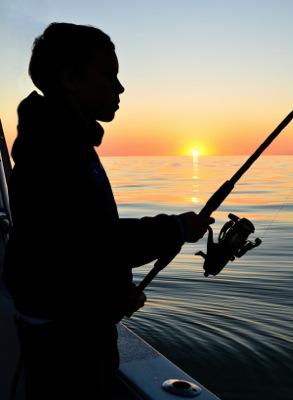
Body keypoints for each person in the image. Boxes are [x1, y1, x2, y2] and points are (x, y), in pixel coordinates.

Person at [3, 22, 213, 400]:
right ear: (71, 79)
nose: (120, 88)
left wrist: (108, 297)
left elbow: (66, 250)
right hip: (66, 343)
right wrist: (176, 228)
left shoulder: (60, 140)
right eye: (109, 75)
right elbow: (96, 243)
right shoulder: (55, 152)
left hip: (66, 324)